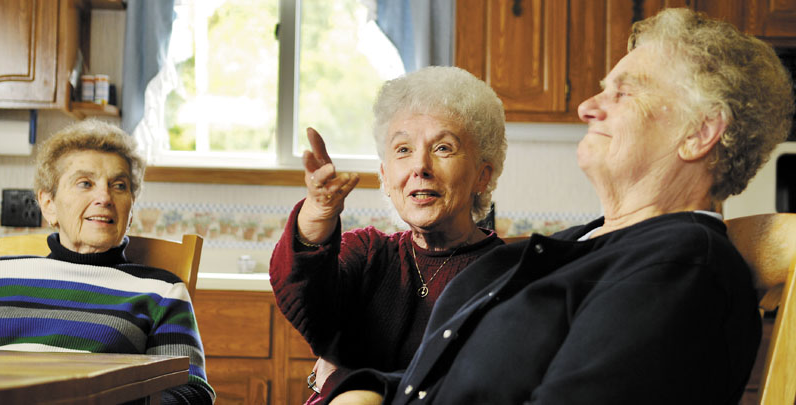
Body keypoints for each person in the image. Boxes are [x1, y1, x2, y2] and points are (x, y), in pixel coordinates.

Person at [326, 8, 795, 404]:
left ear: (700, 133)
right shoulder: (583, 246)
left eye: (624, 92)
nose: (587, 106)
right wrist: (364, 389)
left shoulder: (682, 269)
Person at [269, 66, 508, 402]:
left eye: (443, 148)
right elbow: (309, 304)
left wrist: (344, 380)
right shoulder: (367, 253)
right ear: (385, 175)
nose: (419, 166)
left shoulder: (510, 274)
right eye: (403, 150)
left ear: (483, 176)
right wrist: (318, 213)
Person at [0, 120, 215, 404]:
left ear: (131, 207)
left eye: (119, 185)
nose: (104, 197)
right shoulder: (0, 275)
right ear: (48, 203)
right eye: (85, 183)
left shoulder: (162, 292)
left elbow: (191, 392)